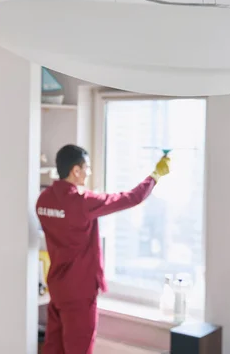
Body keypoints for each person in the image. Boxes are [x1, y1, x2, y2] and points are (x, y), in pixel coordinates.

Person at [36, 144, 171, 354]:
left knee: (54, 347)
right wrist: (155, 175)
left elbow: (65, 225)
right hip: (80, 290)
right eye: (87, 167)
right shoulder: (83, 202)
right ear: (76, 171)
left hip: (57, 286)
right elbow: (132, 198)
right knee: (79, 348)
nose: (89, 172)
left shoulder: (43, 200)